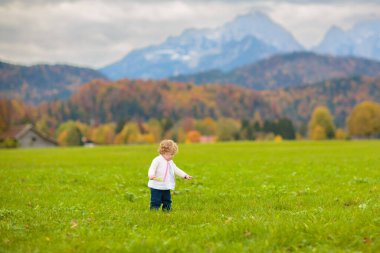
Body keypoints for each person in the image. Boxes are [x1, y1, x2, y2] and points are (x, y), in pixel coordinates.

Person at [148, 139, 192, 211]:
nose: (172, 156)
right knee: (155, 200)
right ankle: (154, 211)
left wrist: (185, 175)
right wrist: (151, 175)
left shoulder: (170, 162)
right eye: (171, 154)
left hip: (166, 186)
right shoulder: (157, 160)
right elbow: (152, 169)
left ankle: (167, 210)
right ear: (164, 152)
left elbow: (176, 169)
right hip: (156, 186)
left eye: (173, 154)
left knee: (167, 200)